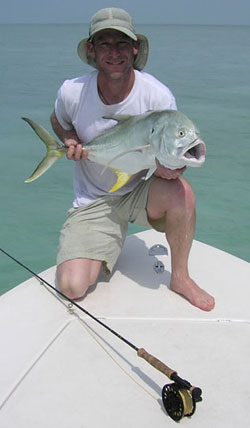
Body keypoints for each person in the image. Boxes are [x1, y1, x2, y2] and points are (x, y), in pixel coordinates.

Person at [50, 7, 215, 311]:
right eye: (105, 44)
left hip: (138, 192)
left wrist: (173, 168)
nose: (114, 52)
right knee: (73, 287)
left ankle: (181, 277)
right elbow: (58, 119)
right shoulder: (72, 92)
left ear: (135, 48)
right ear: (92, 50)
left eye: (122, 43)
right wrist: (69, 140)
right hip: (93, 201)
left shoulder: (158, 97)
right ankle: (107, 238)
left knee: (183, 194)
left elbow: (172, 154)